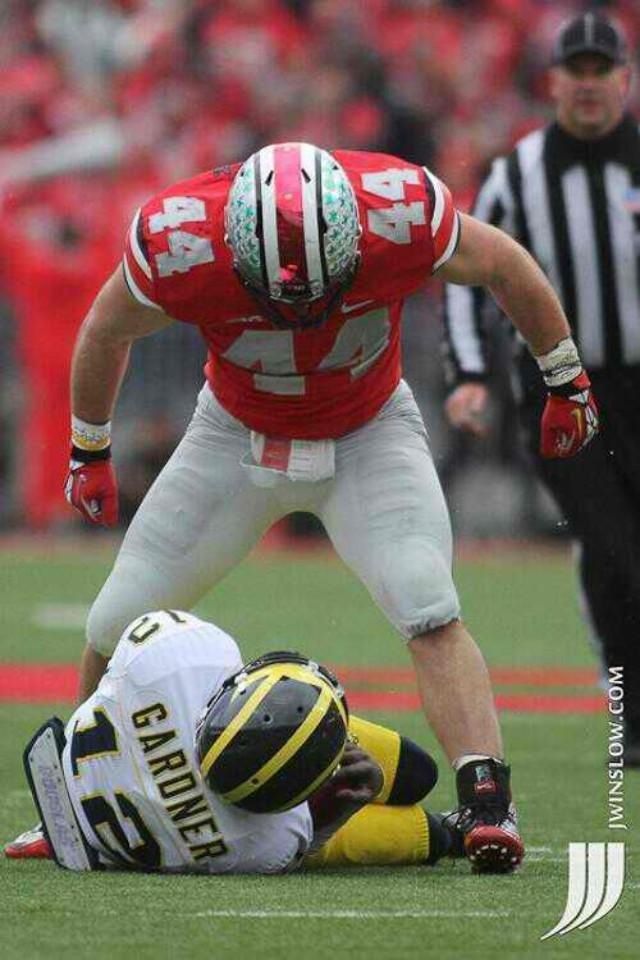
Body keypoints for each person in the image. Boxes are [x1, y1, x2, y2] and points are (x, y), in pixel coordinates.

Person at [11, 140, 599, 872]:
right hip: (233, 434)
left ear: (356, 235)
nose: (301, 311)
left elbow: (504, 264)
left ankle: (489, 803)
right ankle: (77, 803)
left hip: (369, 429)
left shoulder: (401, 209)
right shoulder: (181, 237)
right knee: (113, 619)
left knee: (428, 603)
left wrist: (565, 376)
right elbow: (107, 326)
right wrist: (89, 446)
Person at [443, 12, 640, 766]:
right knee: (614, 548)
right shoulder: (518, 173)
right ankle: (630, 711)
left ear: (623, 77)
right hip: (569, 392)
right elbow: (462, 270)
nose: (589, 85)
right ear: (554, 81)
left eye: (602, 70)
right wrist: (467, 372)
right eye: (576, 71)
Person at [18, 609, 454, 873]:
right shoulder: (271, 840)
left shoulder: (265, 841)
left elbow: (107, 647)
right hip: (110, 775)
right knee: (421, 790)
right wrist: (338, 806)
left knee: (423, 801)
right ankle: (456, 830)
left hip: (102, 823)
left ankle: (451, 836)